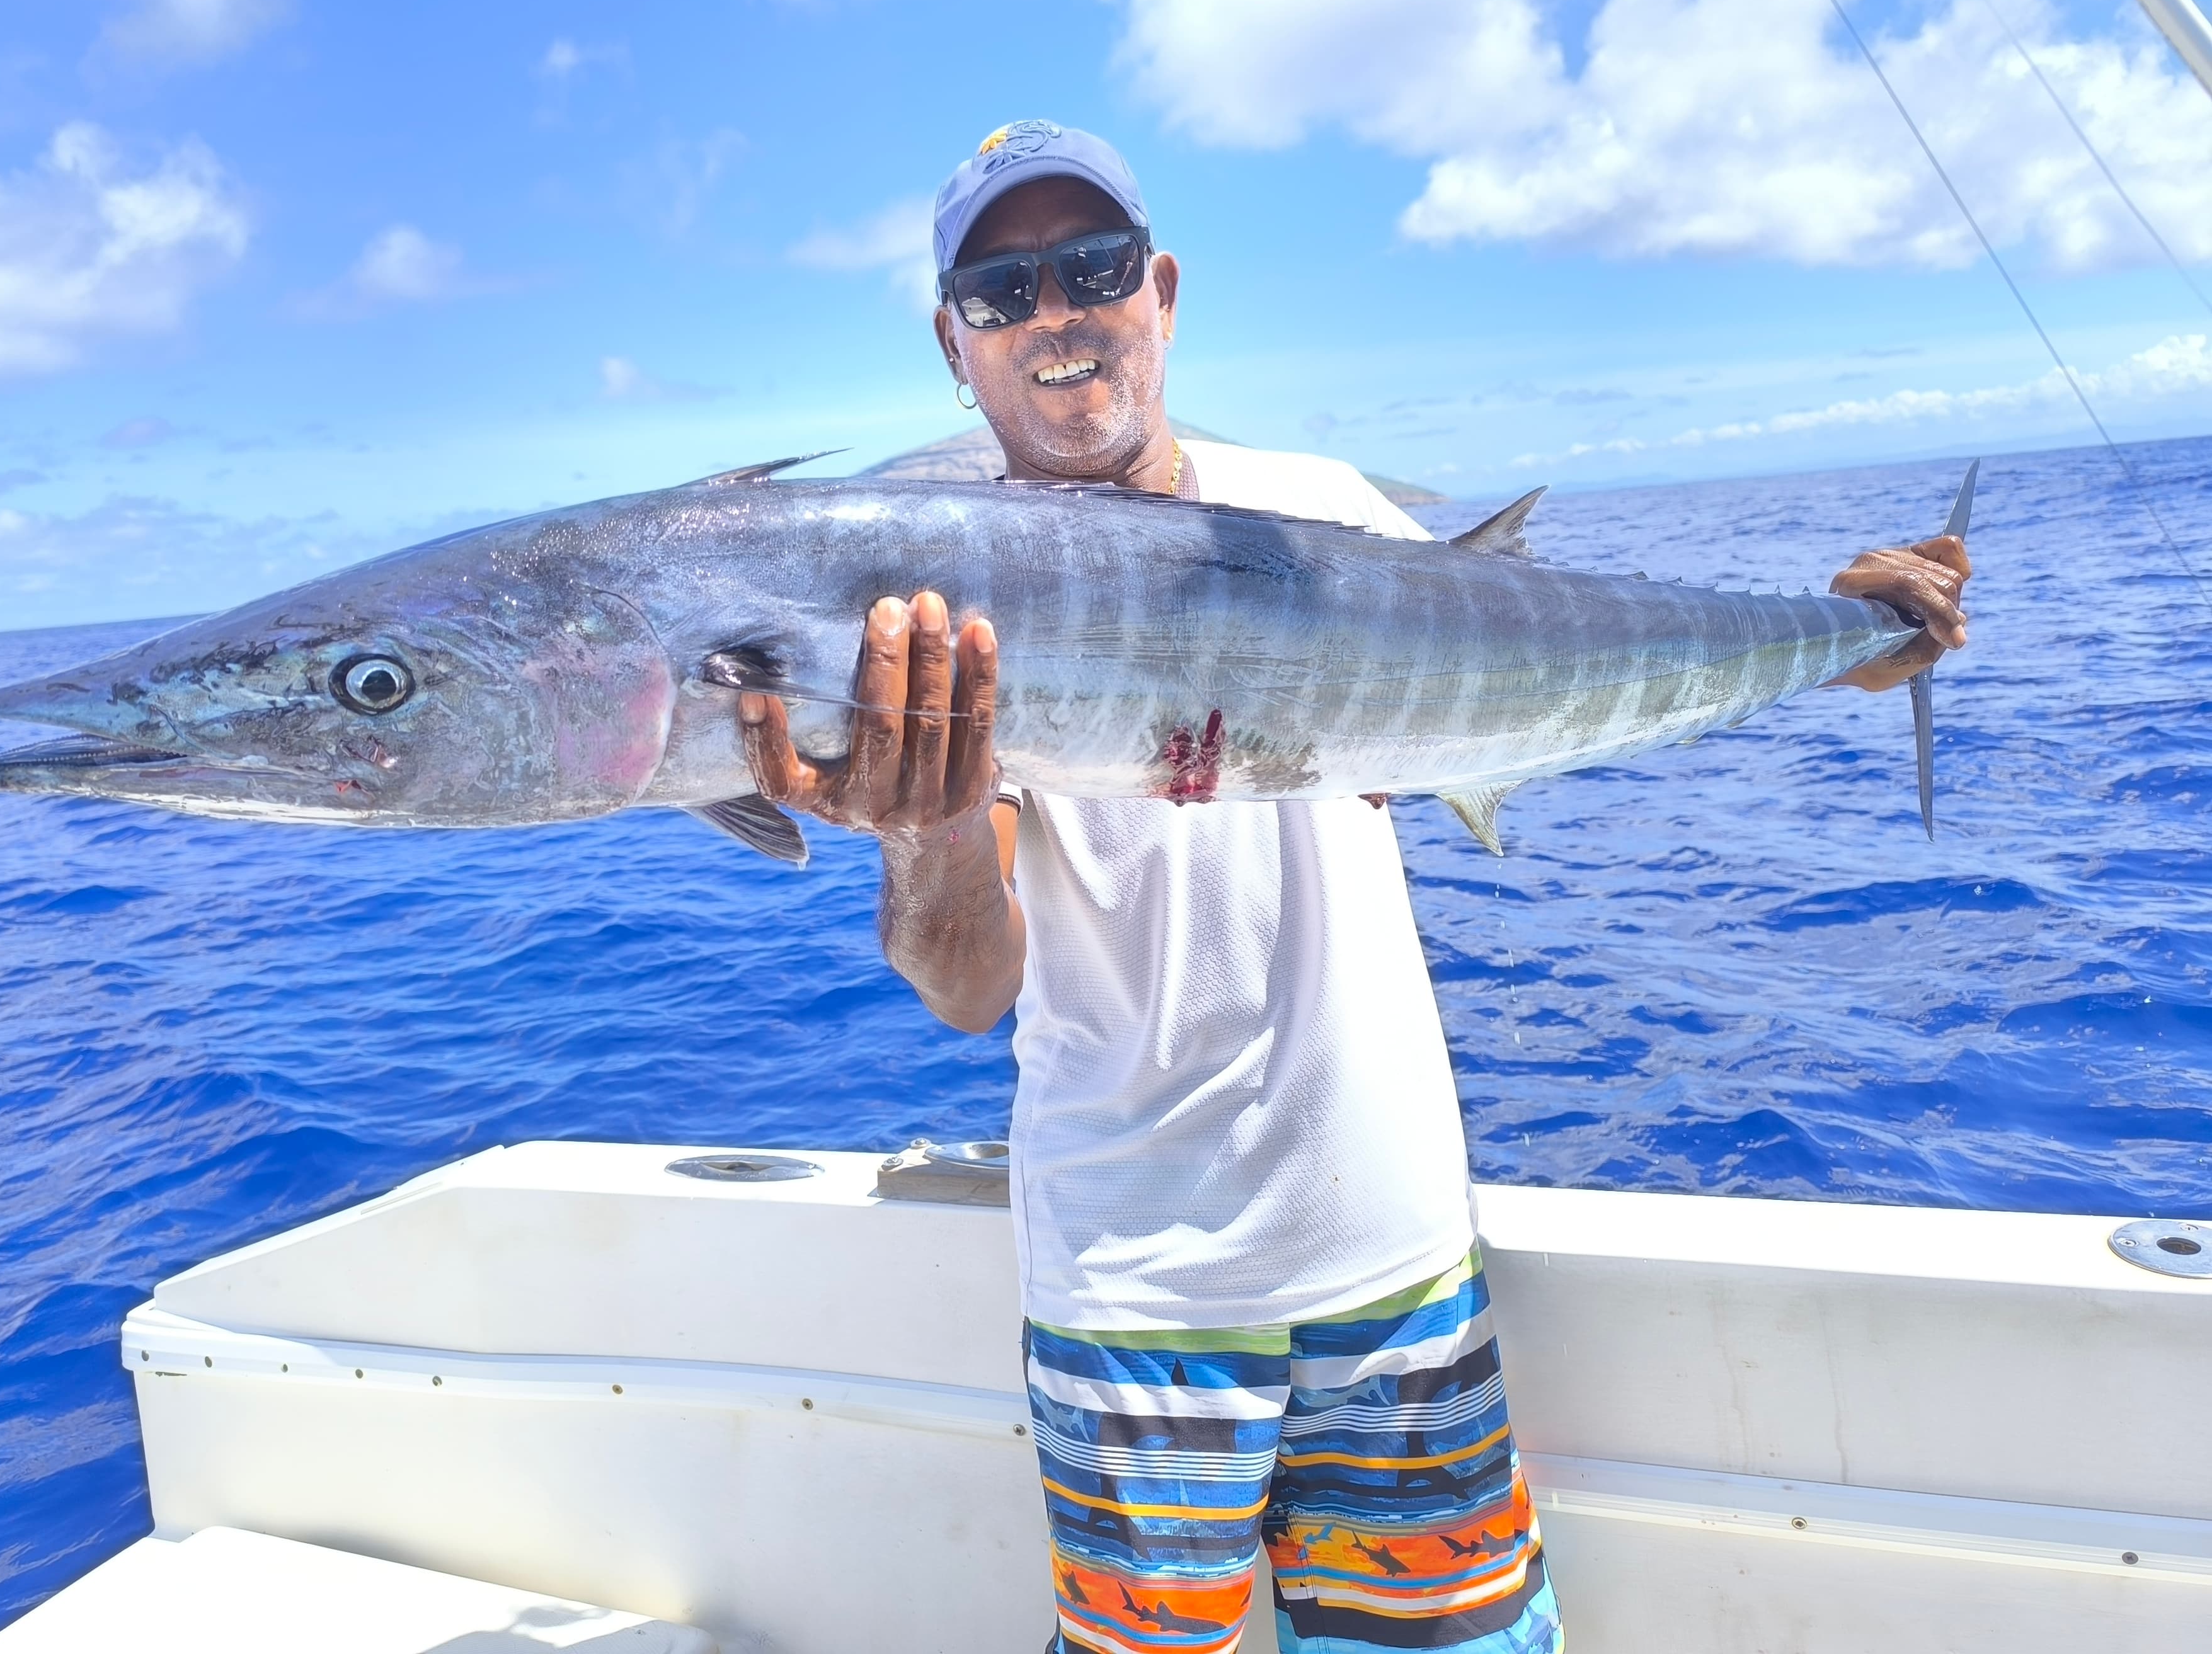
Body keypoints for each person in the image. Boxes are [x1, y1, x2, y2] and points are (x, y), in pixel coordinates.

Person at [738, 121, 1971, 1654]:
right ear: (956, 343)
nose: (1057, 309)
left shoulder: (1321, 512)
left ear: (1161, 290)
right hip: (1133, 1291)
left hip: (1393, 1256)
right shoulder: (927, 605)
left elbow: (1525, 676)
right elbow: (967, 986)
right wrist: (925, 827)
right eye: (1002, 288)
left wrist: (1830, 635)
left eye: (1094, 266)